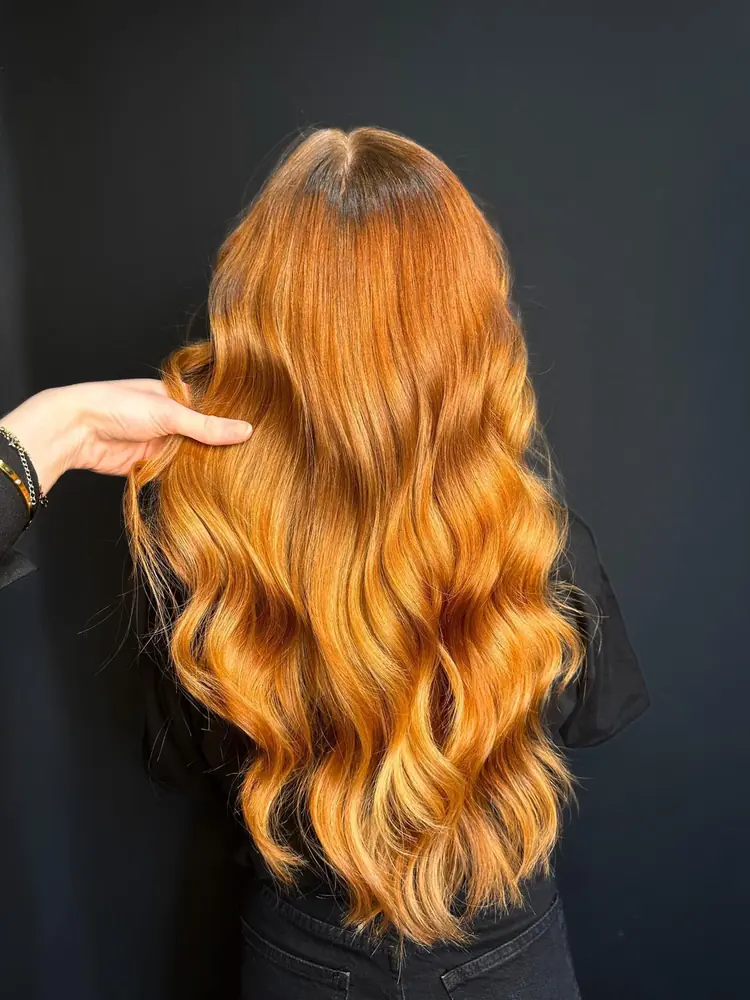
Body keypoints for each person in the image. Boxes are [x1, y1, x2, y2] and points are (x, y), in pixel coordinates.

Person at [0, 126, 650, 1000]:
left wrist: (44, 433)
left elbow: (182, 757)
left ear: (263, 324)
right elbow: (587, 714)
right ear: (469, 327)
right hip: (507, 954)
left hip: (301, 959)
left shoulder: (200, 550)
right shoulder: (539, 541)